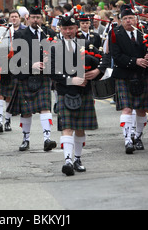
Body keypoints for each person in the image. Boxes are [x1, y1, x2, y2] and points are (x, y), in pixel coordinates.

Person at [50, 14, 106, 175]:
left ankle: (77, 159)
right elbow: (52, 72)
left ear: (76, 28)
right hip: (65, 91)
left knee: (80, 129)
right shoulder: (54, 47)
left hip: (84, 92)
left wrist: (97, 71)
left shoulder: (86, 44)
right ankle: (67, 160)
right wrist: (72, 80)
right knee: (67, 127)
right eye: (65, 28)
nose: (68, 31)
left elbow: (103, 59)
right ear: (60, 29)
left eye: (71, 28)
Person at [8, 6, 57, 152]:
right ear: (27, 18)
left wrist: (50, 58)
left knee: (45, 107)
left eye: (38, 18)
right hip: (26, 76)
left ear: (42, 19)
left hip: (43, 76)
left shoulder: (48, 33)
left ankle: (47, 138)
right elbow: (17, 57)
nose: (36, 20)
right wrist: (32, 65)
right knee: (26, 111)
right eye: (33, 18)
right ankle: (25, 139)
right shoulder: (20, 34)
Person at [109, 4, 148, 154]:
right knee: (127, 109)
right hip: (124, 75)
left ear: (136, 19)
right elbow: (116, 56)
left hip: (143, 75)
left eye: (131, 18)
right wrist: (135, 61)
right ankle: (128, 140)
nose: (128, 21)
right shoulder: (115, 33)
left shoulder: (145, 33)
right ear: (121, 20)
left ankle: (138, 137)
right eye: (125, 18)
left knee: (142, 110)